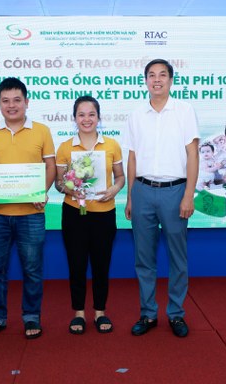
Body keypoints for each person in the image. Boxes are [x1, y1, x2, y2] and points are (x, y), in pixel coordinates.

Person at [124, 59, 200, 338]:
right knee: (143, 258)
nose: (157, 79)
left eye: (162, 75)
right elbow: (132, 157)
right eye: (152, 75)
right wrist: (130, 197)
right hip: (142, 191)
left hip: (175, 192)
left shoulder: (184, 111)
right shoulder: (136, 115)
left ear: (171, 80)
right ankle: (148, 313)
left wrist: (189, 195)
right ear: (145, 80)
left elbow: (193, 154)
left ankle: (176, 314)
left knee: (177, 257)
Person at [0, 77, 56, 340]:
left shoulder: (42, 130)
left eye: (17, 100)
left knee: (32, 270)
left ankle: (31, 316)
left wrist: (42, 192)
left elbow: (51, 167)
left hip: (31, 214)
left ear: (26, 102)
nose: (11, 105)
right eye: (5, 101)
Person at [55, 96, 125, 335]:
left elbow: (120, 177)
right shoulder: (65, 147)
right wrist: (70, 189)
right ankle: (78, 313)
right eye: (81, 114)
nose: (87, 119)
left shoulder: (112, 145)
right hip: (74, 213)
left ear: (99, 117)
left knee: (101, 264)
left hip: (104, 214)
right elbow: (58, 182)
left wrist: (114, 190)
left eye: (91, 114)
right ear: (74, 118)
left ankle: (100, 312)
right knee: (76, 264)